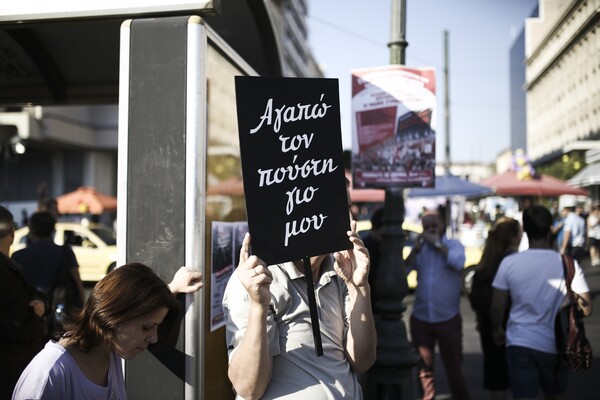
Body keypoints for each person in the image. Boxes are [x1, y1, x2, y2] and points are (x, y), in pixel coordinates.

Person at [222, 211, 376, 398]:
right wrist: (258, 306)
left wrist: (359, 287)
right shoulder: (257, 277)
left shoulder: (341, 267)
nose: (352, 218)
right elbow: (248, 389)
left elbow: (363, 361)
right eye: (342, 206)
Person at [12, 262, 203, 399]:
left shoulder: (110, 350)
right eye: (147, 328)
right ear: (113, 316)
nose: (153, 338)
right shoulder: (49, 375)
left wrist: (172, 288)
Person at [491, 205, 592, 400]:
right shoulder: (567, 263)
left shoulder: (510, 263)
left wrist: (497, 330)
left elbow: (497, 306)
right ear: (550, 228)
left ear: (525, 230)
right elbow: (587, 309)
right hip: (557, 344)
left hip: (519, 342)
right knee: (555, 395)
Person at [405, 210, 470, 400]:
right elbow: (404, 271)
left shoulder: (453, 245)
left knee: (455, 370)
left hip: (447, 317)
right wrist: (415, 250)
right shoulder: (420, 248)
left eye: (434, 226)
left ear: (442, 225)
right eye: (427, 227)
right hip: (422, 317)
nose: (430, 230)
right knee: (424, 371)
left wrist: (437, 244)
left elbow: (458, 263)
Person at [468, 217, 521, 400]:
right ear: (514, 237)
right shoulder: (514, 263)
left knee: (497, 375)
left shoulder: (485, 265)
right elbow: (497, 307)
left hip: (488, 327)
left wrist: (483, 320)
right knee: (519, 378)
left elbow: (476, 298)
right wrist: (497, 326)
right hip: (511, 325)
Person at [11, 211, 85, 337]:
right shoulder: (64, 252)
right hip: (59, 319)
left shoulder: (18, 256)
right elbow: (77, 284)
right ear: (52, 229)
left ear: (31, 229)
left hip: (30, 318)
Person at [0, 206, 48, 400]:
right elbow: (17, 323)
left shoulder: (11, 266)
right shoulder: (5, 271)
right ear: (12, 232)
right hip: (10, 369)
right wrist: (37, 313)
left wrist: (37, 300)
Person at [586, 202, 600, 266]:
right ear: (594, 211)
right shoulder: (590, 217)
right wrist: (597, 221)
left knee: (597, 247)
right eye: (597, 210)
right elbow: (589, 226)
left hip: (598, 235)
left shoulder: (598, 216)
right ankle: (593, 259)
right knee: (592, 247)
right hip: (592, 234)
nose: (598, 211)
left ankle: (597, 258)